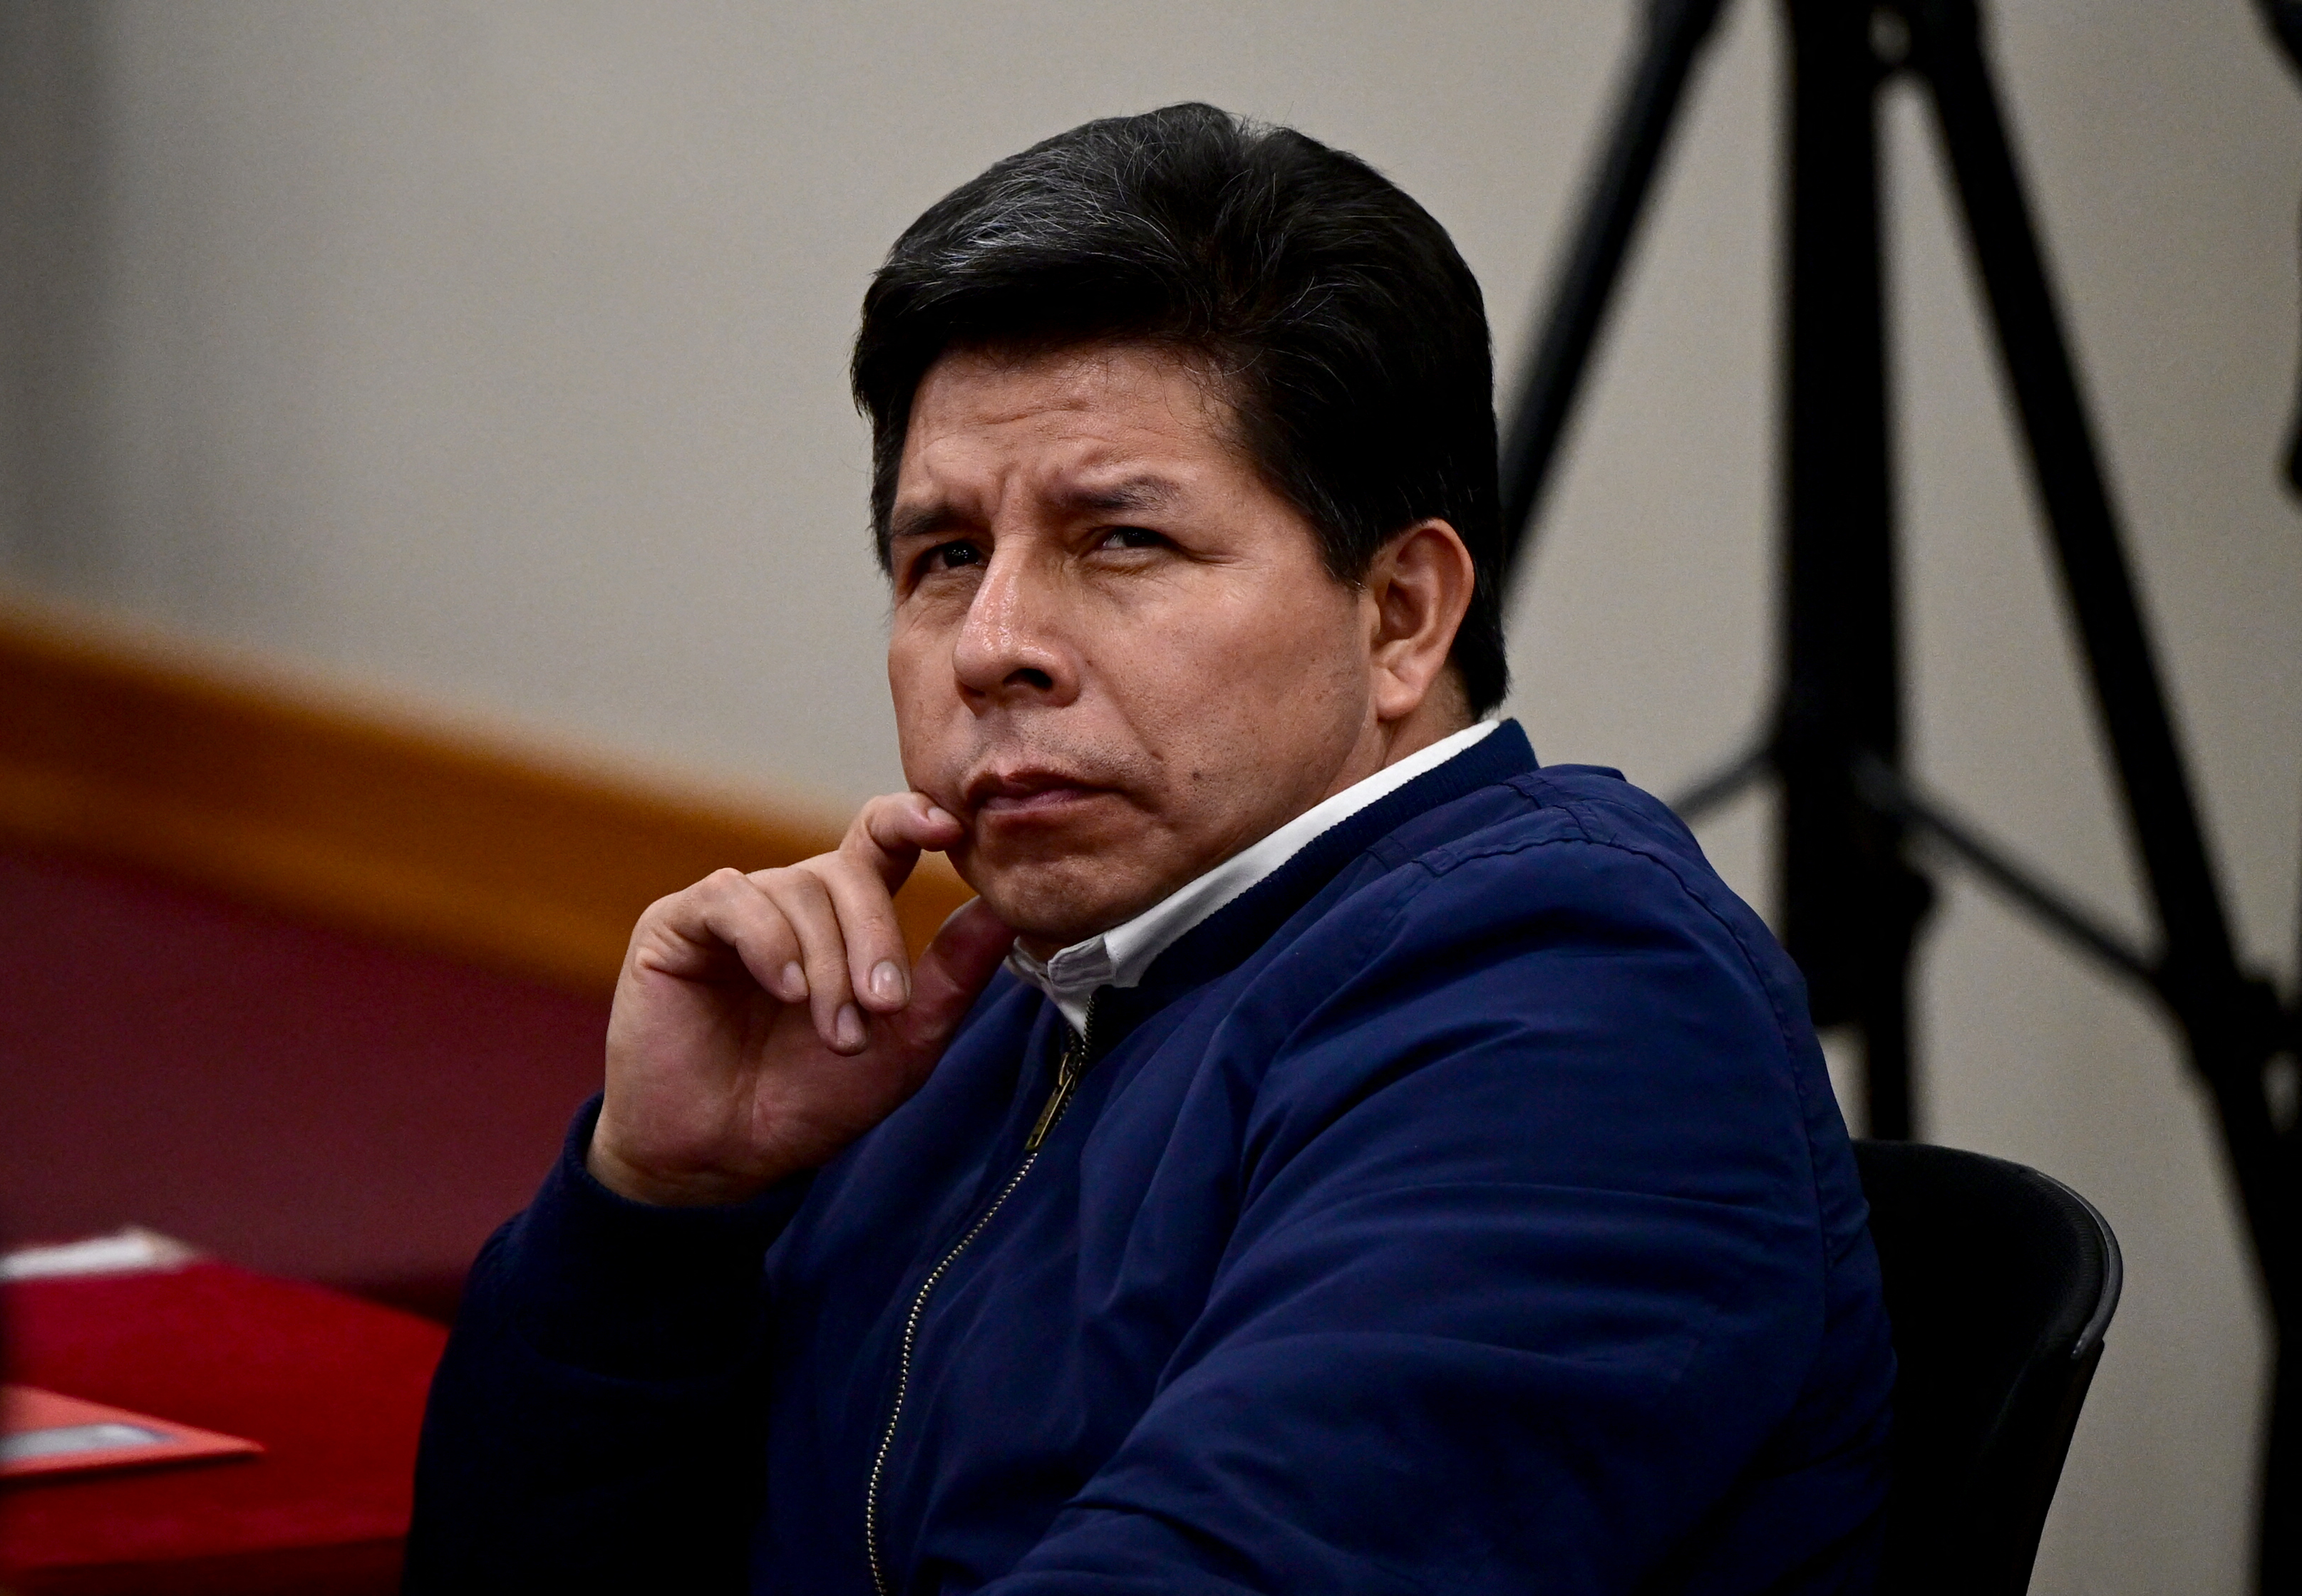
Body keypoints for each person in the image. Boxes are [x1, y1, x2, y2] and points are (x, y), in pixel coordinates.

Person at [406, 103, 1891, 1595]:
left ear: (1400, 614)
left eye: (1122, 540)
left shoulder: (1576, 1013)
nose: (993, 648)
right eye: (945, 558)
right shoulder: (1012, 997)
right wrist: (661, 1208)